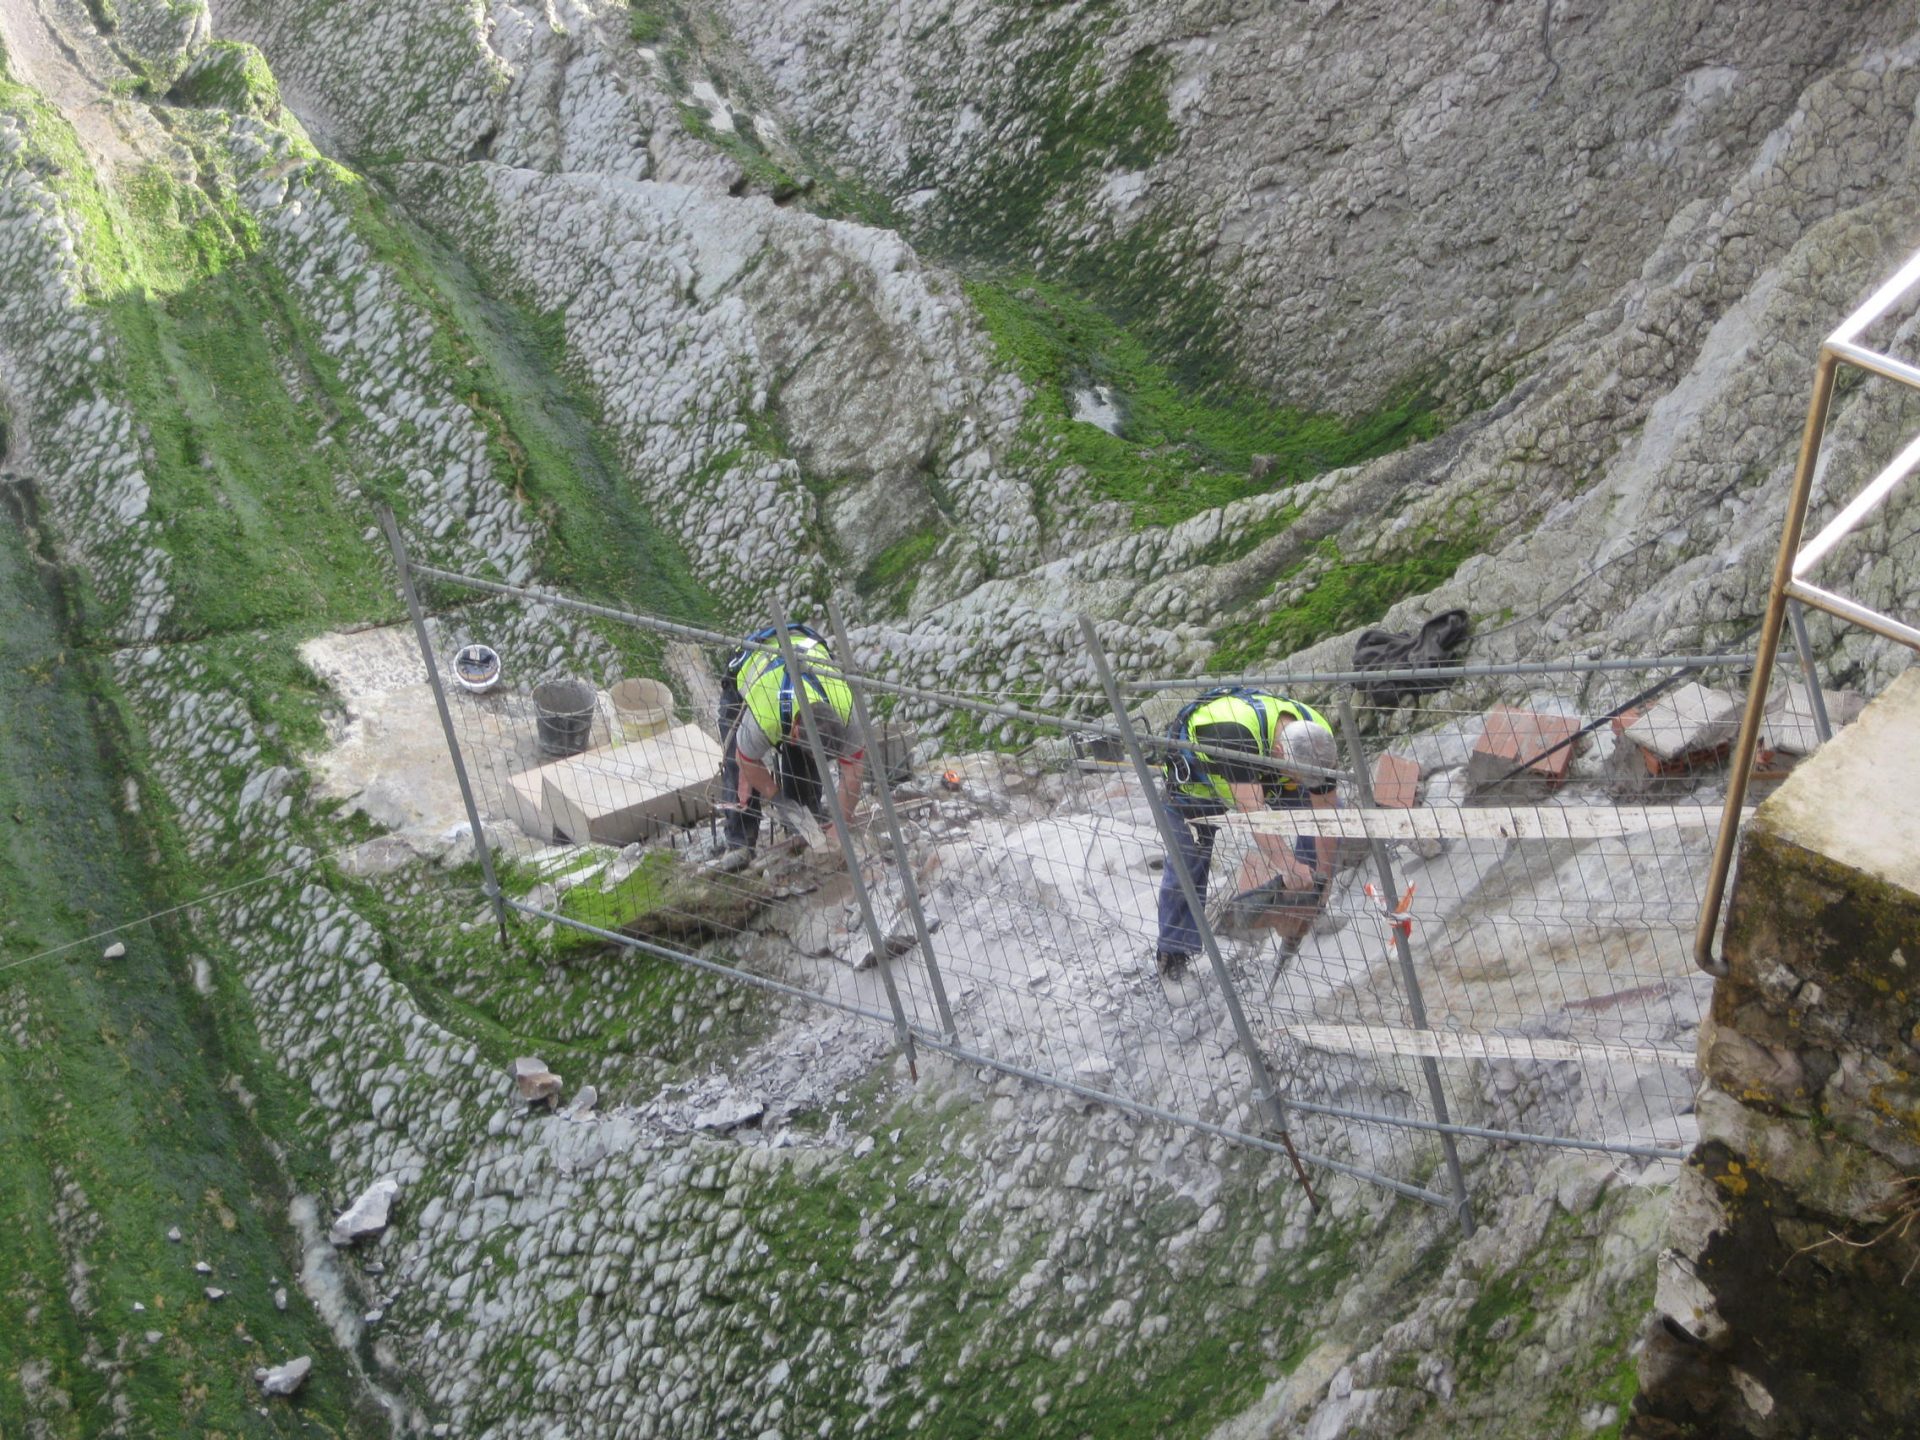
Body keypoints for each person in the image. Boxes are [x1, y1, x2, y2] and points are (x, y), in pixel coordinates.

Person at [1154, 689, 1339, 978]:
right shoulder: (1229, 731)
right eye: (1298, 775)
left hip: (1264, 775)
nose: (1303, 782)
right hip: (1196, 785)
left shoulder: (1317, 736)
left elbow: (1326, 812)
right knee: (1187, 864)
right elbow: (1252, 811)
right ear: (1279, 754)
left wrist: (1324, 878)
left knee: (1308, 809)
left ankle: (1306, 904)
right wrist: (1287, 865)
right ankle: (1173, 956)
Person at [715, 623, 865, 861]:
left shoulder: (847, 711)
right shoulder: (765, 718)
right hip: (750, 671)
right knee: (738, 766)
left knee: (802, 765)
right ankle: (740, 842)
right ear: (795, 731)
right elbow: (747, 761)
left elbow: (853, 772)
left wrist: (839, 830)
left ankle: (805, 827)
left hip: (801, 661)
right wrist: (778, 800)